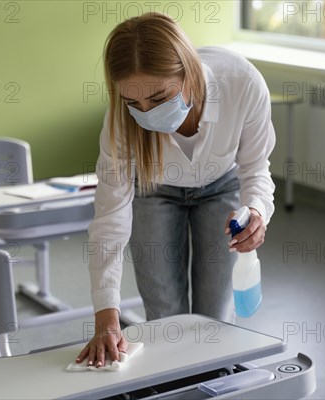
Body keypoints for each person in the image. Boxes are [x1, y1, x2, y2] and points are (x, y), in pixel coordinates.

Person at [77, 12, 275, 368]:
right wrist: (106, 313)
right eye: (134, 103)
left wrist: (256, 211)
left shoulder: (242, 82)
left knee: (214, 316)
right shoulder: (120, 121)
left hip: (221, 187)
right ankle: (174, 384)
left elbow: (256, 167)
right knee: (165, 315)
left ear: (190, 72)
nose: (147, 113)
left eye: (158, 97)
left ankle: (211, 382)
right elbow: (110, 216)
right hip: (153, 188)